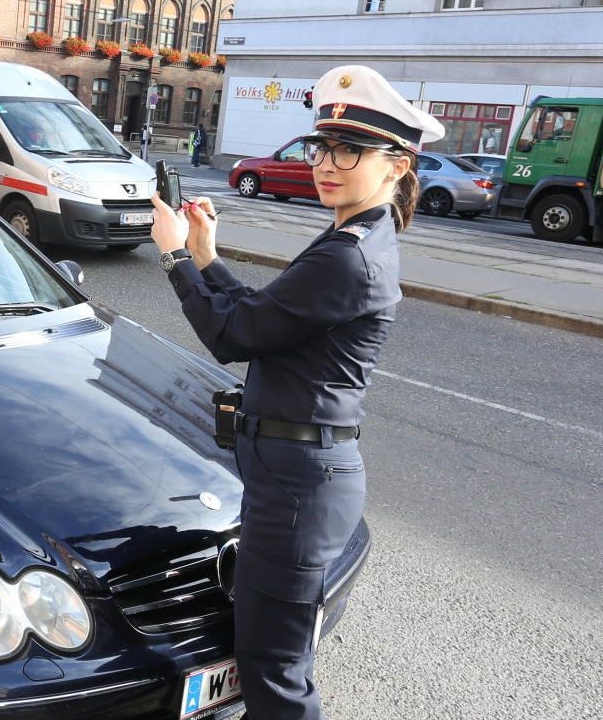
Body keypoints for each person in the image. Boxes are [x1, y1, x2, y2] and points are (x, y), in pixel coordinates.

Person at [148, 65, 444, 720]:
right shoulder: (352, 237)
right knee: (270, 661)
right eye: (321, 146)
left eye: (349, 150)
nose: (326, 164)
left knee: (275, 676)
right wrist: (205, 255)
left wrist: (171, 256)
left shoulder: (349, 254)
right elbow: (266, 316)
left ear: (397, 165)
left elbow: (234, 334)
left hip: (300, 491)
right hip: (294, 481)